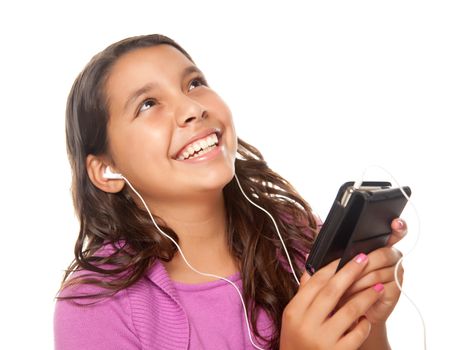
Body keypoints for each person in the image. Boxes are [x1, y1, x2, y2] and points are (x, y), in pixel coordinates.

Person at [54, 34, 407, 350]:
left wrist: (367, 323)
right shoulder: (95, 304)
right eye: (148, 104)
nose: (193, 108)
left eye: (193, 83)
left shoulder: (294, 236)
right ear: (106, 169)